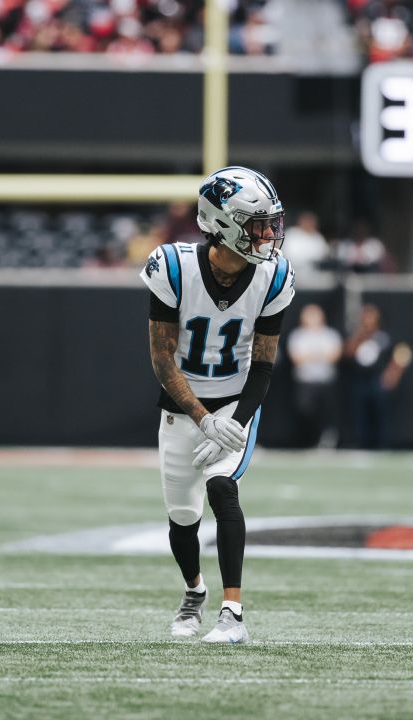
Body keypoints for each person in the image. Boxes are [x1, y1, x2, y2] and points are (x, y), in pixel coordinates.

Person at [141, 165, 295, 644]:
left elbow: (264, 366)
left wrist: (236, 421)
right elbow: (164, 360)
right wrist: (201, 420)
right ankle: (194, 593)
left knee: (222, 490)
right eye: (257, 223)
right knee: (182, 518)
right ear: (223, 223)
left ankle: (234, 615)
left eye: (272, 223)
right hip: (182, 409)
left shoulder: (274, 277)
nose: (268, 233)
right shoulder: (173, 267)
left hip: (234, 403)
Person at [343, 305, 410, 449]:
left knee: (381, 414)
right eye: (364, 317)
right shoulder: (357, 336)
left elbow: (403, 352)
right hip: (360, 380)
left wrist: (393, 374)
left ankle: (382, 445)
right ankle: (360, 445)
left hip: (378, 380)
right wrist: (359, 335)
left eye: (370, 316)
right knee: (359, 414)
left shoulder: (386, 336)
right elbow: (347, 352)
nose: (367, 320)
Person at [286, 304, 342, 448]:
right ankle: (308, 440)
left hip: (325, 381)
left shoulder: (330, 334)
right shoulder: (297, 335)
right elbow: (297, 359)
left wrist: (310, 356)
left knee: (326, 412)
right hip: (305, 382)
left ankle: (326, 440)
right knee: (305, 410)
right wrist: (319, 355)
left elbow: (334, 356)